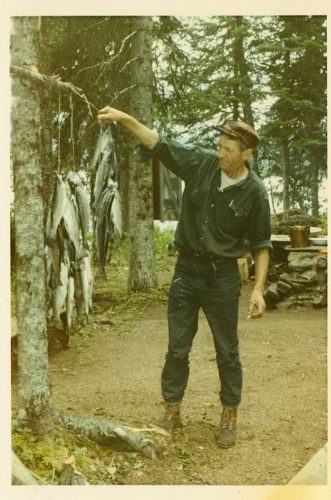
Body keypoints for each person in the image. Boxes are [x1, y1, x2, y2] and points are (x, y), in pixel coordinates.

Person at [97, 106, 272, 448]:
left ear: (246, 154)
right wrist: (125, 119)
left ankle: (229, 415)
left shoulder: (255, 192)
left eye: (227, 150)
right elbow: (159, 143)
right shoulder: (201, 163)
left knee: (228, 351)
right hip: (186, 272)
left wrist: (259, 290)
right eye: (219, 146)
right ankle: (172, 410)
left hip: (223, 277)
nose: (219, 154)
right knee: (177, 348)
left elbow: (262, 245)